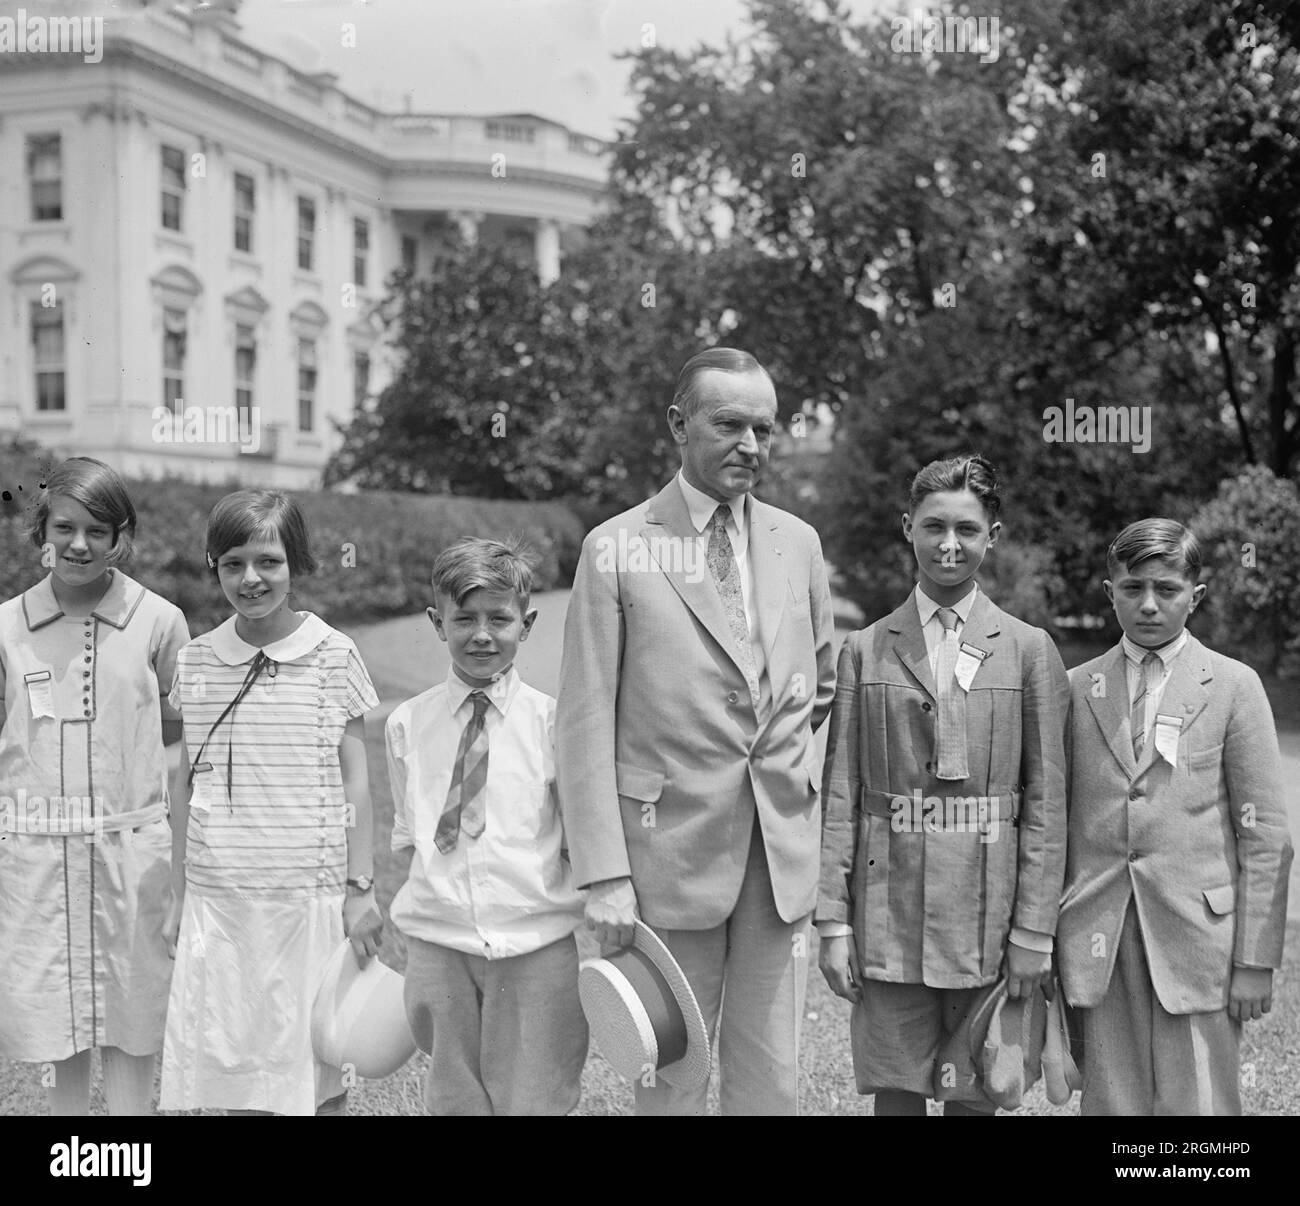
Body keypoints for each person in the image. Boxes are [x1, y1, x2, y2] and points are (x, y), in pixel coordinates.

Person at [556, 347, 836, 1116]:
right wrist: (605, 875)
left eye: (765, 429)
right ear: (679, 424)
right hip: (664, 856)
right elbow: (582, 720)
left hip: (777, 858)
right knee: (673, 1073)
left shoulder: (797, 543)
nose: (751, 445)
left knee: (771, 1076)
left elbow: (822, 688)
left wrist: (799, 786)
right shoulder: (615, 547)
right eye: (729, 424)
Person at [816, 454, 1069, 1115]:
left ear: (994, 535)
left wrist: (1034, 931)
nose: (948, 544)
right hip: (889, 914)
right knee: (896, 1087)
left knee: (979, 1087)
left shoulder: (1027, 650)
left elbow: (1046, 804)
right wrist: (833, 922)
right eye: (933, 526)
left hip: (988, 918)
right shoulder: (866, 650)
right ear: (908, 528)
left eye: (966, 528)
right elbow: (841, 795)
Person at [1056, 518, 1293, 1115]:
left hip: (1199, 941)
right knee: (1113, 1107)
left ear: (1197, 596)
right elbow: (1051, 824)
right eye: (1133, 588)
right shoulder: (1074, 689)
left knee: (1201, 1111)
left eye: (1167, 589)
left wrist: (1255, 961)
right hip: (1100, 937)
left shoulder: (1235, 687)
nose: (1149, 605)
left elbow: (1265, 835)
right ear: (1109, 592)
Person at [158, 490, 382, 1116]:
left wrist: (359, 887)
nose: (250, 578)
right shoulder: (195, 661)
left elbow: (356, 779)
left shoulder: (334, 654)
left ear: (296, 562)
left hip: (306, 898)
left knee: (314, 1070)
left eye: (267, 561)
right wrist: (178, 894)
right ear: (213, 566)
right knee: (232, 1067)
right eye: (232, 563)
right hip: (220, 901)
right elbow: (185, 784)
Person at [0, 456, 189, 1115]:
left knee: (134, 1022)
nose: (79, 544)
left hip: (130, 852)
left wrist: (177, 861)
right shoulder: (6, 628)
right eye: (65, 528)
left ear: (122, 538)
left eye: (98, 531)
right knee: (61, 1023)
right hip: (37, 855)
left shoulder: (160, 622)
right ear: (42, 534)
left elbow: (182, 744)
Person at [386, 537, 587, 1115]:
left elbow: (576, 836)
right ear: (435, 621)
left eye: (499, 619)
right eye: (463, 619)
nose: (481, 634)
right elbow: (409, 832)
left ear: (526, 624)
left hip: (534, 941)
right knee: (454, 1095)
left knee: (537, 1094)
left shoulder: (555, 723)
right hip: (438, 943)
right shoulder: (406, 725)